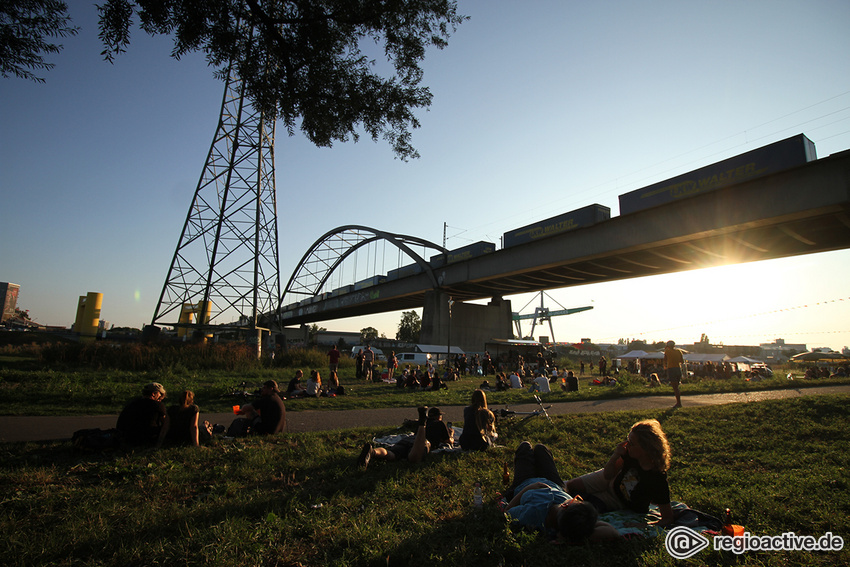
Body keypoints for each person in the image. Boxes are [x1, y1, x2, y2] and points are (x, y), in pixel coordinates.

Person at [502, 441, 621, 543]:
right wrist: (578, 534)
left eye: (576, 500)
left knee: (525, 448)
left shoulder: (531, 514)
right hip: (554, 484)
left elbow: (506, 513)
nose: (577, 498)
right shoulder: (572, 524)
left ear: (565, 505)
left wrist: (530, 487)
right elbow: (612, 532)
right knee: (541, 449)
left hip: (524, 483)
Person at [565, 419, 674, 526]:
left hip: (616, 499)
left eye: (631, 443)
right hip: (610, 479)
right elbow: (607, 475)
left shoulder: (657, 479)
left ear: (646, 448)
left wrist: (641, 525)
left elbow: (667, 518)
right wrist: (615, 455)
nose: (626, 445)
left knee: (580, 507)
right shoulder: (629, 455)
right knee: (570, 485)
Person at [358, 406, 452, 467]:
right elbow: (448, 441)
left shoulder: (431, 422)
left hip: (408, 439)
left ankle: (373, 452)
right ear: (438, 416)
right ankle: (422, 423)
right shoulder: (440, 424)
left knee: (391, 454)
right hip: (422, 441)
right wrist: (451, 434)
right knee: (414, 459)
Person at [116, 382, 169, 447]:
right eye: (160, 394)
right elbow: (165, 423)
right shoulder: (158, 405)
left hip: (128, 438)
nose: (161, 396)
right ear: (153, 394)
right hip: (147, 439)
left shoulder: (132, 403)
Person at [663, 340, 686, 408]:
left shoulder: (667, 351)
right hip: (678, 369)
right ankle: (679, 402)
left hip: (671, 369)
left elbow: (665, 359)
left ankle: (679, 403)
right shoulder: (679, 351)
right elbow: (681, 361)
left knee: (675, 387)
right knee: (677, 386)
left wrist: (665, 366)